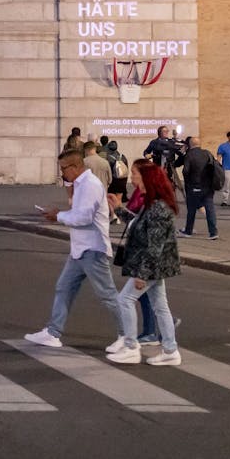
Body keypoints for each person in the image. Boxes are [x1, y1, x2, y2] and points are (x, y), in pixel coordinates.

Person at [23, 150, 135, 354]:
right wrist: (61, 215)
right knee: (64, 288)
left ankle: (127, 336)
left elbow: (83, 217)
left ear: (74, 167)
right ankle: (53, 332)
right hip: (81, 249)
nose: (62, 174)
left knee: (107, 295)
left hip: (93, 248)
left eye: (63, 169)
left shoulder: (90, 185)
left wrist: (58, 216)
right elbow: (78, 214)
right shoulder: (82, 184)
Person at [107, 159, 184, 365]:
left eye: (134, 173)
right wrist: (119, 209)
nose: (131, 177)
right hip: (155, 266)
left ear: (146, 178)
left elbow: (155, 245)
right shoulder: (152, 201)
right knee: (161, 307)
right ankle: (170, 350)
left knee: (125, 300)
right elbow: (138, 225)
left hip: (152, 266)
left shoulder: (158, 206)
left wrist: (142, 274)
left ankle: (132, 347)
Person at [178, 135, 222, 240]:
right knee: (210, 209)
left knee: (191, 211)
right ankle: (213, 233)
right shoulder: (207, 153)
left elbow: (186, 171)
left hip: (194, 187)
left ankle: (188, 231)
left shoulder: (189, 155)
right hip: (207, 187)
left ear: (190, 145)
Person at [143, 125, 183, 193]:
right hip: (158, 166)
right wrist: (147, 155)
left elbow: (180, 153)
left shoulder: (171, 142)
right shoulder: (154, 142)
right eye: (164, 131)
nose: (167, 132)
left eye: (167, 131)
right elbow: (146, 151)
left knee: (170, 184)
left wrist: (176, 163)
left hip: (170, 167)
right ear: (159, 133)